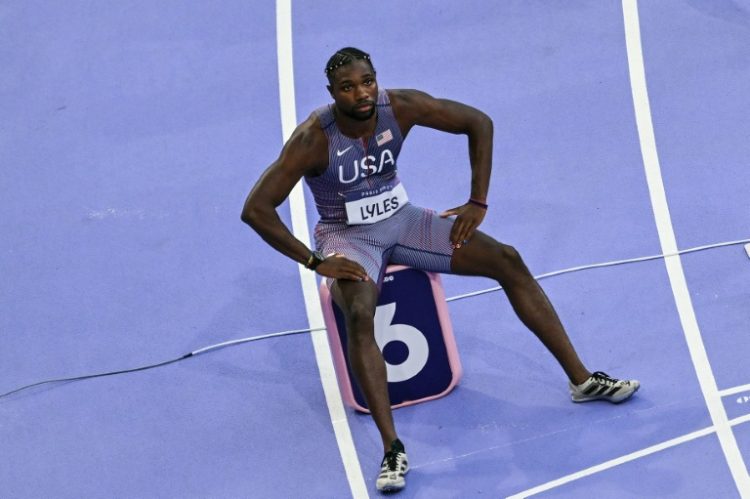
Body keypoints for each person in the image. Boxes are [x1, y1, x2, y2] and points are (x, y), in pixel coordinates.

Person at [241, 47, 640, 493]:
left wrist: (478, 201)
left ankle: (582, 381)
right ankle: (393, 448)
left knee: (507, 260)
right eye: (349, 88)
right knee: (359, 314)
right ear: (332, 93)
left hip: (403, 219)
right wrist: (316, 261)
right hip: (347, 236)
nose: (362, 93)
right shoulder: (314, 138)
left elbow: (478, 122)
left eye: (367, 81)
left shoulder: (401, 106)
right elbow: (256, 209)